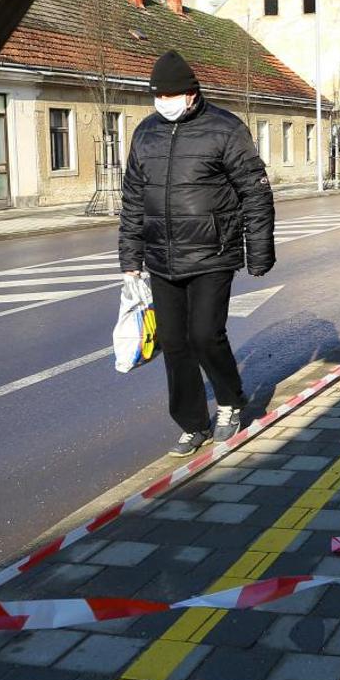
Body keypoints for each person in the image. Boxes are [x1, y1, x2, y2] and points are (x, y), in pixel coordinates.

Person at [120, 51, 275, 452]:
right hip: (161, 258)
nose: (164, 102)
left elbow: (255, 193)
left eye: (171, 94)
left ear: (191, 94)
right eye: (158, 95)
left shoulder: (225, 129)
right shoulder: (145, 133)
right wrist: (130, 260)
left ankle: (229, 402)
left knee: (205, 335)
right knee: (174, 343)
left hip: (212, 252)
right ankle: (192, 423)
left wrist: (258, 252)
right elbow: (134, 199)